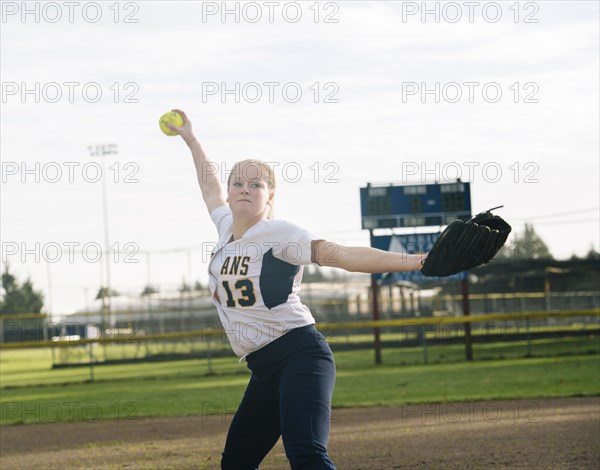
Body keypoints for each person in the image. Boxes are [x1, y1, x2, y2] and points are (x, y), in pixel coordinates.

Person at [168, 110, 426, 470]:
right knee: (236, 464)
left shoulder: (281, 235)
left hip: (300, 355)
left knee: (305, 453)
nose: (245, 189)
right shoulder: (225, 227)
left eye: (256, 185)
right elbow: (207, 185)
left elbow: (345, 255)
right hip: (263, 368)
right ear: (229, 193)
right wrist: (192, 139)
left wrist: (416, 262)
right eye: (238, 183)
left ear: (269, 196)